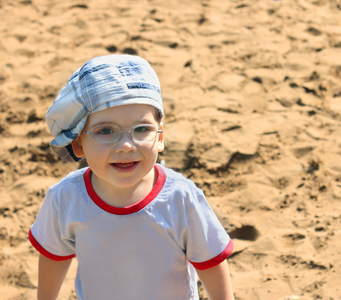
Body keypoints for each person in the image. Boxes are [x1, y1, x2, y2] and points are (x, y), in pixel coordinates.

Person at [28, 54, 235, 300]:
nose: (126, 145)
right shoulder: (66, 198)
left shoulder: (181, 197)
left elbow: (210, 262)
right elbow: (54, 256)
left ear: (159, 138)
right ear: (79, 143)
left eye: (142, 129)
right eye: (105, 131)